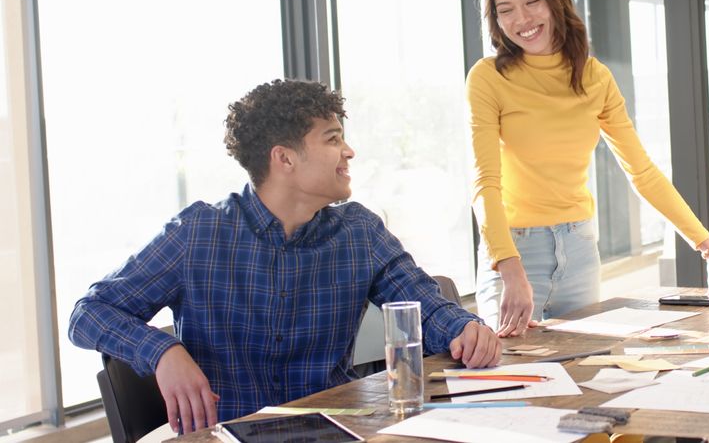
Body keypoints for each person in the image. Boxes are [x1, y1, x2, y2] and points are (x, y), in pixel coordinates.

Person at [69, 79, 500, 434]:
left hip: (334, 429)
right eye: (333, 140)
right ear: (285, 159)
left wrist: (466, 328)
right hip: (231, 433)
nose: (349, 152)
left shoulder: (359, 231)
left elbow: (423, 303)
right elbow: (88, 313)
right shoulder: (198, 234)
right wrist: (163, 352)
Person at [467, 0, 709, 338]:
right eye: (505, 9)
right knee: (510, 376)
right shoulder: (488, 77)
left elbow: (642, 172)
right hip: (514, 252)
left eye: (532, 1)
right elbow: (484, 182)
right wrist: (509, 267)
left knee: (582, 375)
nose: (521, 19)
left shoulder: (595, 77)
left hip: (578, 249)